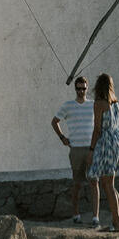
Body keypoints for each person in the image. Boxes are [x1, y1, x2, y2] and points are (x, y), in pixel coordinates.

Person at [51, 76, 98, 223]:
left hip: (91, 148)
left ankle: (95, 216)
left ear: (87, 88)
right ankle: (76, 214)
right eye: (78, 88)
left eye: (84, 88)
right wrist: (62, 138)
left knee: (94, 182)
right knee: (77, 183)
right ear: (75, 89)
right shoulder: (68, 105)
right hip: (76, 149)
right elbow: (55, 122)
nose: (81, 91)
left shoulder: (93, 105)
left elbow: (99, 124)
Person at [86, 72, 119, 233]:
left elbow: (97, 129)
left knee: (107, 185)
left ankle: (117, 224)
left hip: (106, 143)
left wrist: (91, 150)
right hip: (118, 142)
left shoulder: (99, 103)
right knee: (110, 184)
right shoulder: (116, 103)